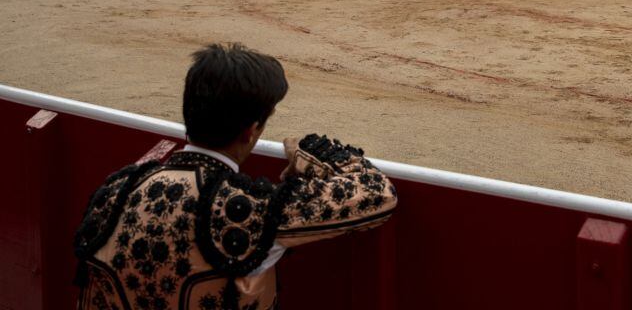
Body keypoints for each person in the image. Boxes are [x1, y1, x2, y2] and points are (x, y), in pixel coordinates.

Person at [74, 44, 398, 310]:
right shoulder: (246, 211)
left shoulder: (115, 190)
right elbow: (376, 192)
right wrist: (314, 154)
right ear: (251, 131)